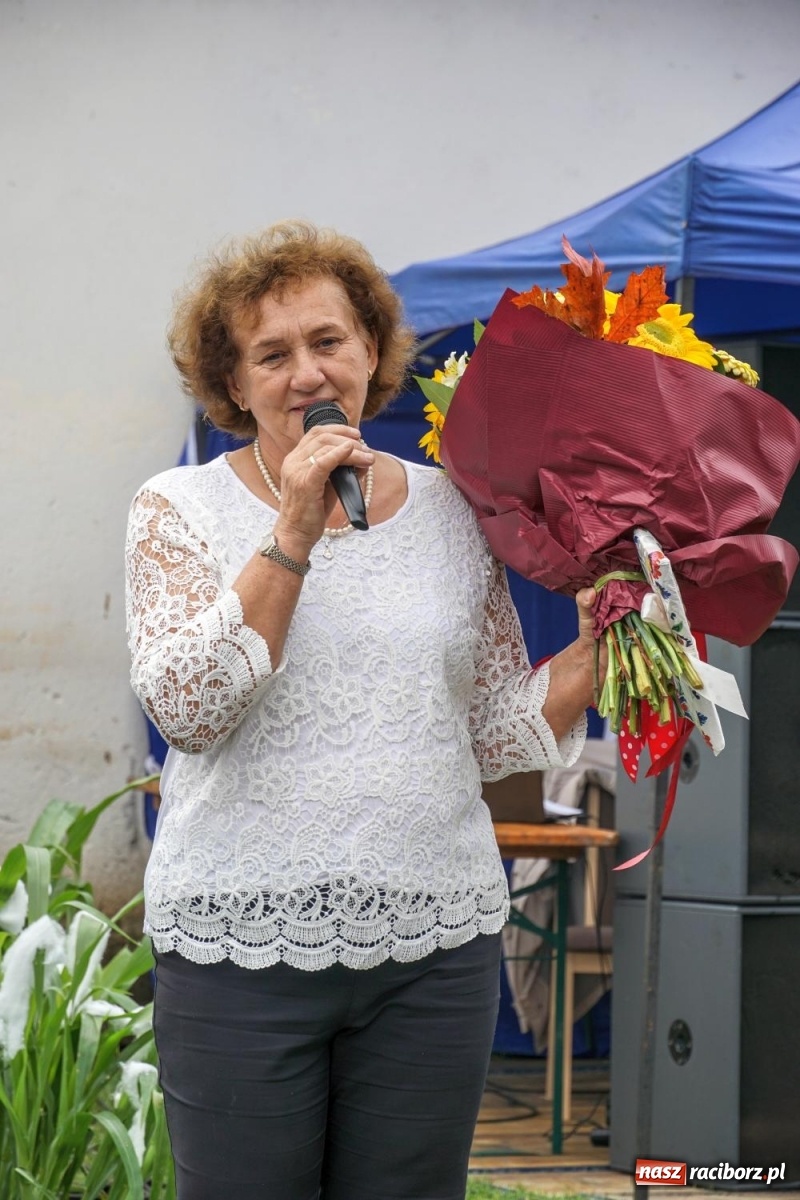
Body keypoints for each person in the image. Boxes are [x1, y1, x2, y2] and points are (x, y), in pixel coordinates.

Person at [125, 220, 603, 1200]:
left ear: (372, 354)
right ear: (234, 382)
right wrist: (295, 523)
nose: (304, 372)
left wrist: (600, 650)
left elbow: (490, 740)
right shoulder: (175, 508)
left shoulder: (452, 513)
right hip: (239, 951)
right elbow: (190, 710)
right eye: (271, 353)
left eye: (327, 341)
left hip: (432, 952)